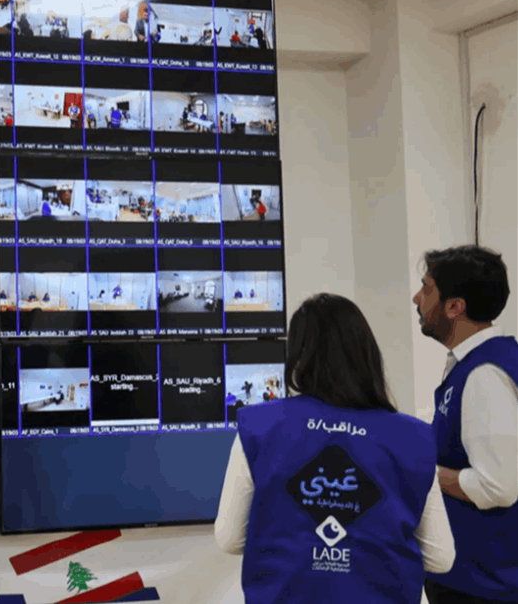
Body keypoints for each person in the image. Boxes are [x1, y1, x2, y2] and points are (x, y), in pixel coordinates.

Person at [215, 293, 455, 603]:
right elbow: (441, 558)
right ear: (368, 354)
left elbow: (230, 539)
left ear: (298, 357)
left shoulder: (260, 427)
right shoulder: (413, 438)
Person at [413, 246, 518, 603]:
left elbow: (497, 486)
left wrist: (426, 473)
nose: (417, 299)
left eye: (426, 289)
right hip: (475, 577)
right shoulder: (474, 365)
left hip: (484, 583)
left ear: (454, 306)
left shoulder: (485, 374)